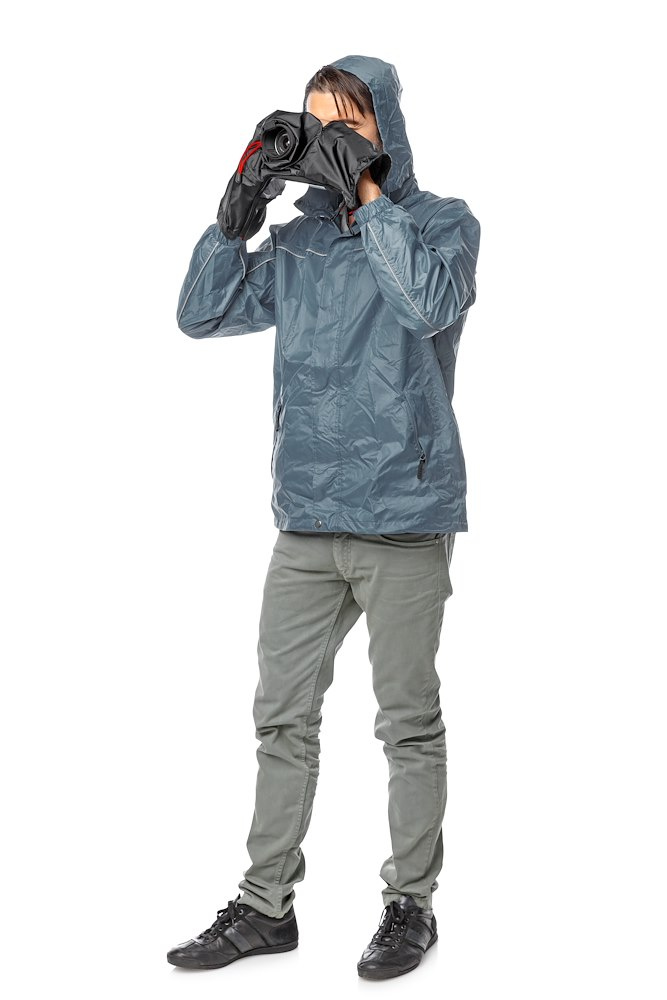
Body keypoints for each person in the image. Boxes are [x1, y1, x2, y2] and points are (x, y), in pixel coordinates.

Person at [168, 54, 480, 981]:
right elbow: (200, 315)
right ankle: (265, 906)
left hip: (404, 512)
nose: (330, 139)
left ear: (384, 127)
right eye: (317, 125)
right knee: (280, 720)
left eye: (348, 122)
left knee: (406, 724)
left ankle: (410, 905)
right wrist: (237, 211)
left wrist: (371, 196)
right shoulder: (298, 243)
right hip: (306, 517)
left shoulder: (442, 222)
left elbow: (425, 304)